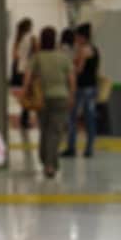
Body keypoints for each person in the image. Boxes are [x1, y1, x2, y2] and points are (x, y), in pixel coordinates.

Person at [23, 27, 75, 178]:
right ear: (55, 40)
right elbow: (72, 79)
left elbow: (27, 77)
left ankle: (45, 159)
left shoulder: (37, 57)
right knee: (55, 132)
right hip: (61, 97)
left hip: (42, 99)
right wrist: (71, 96)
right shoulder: (64, 58)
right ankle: (50, 165)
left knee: (45, 130)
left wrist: (25, 93)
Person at [62, 23, 100, 158]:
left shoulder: (83, 50)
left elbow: (78, 69)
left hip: (81, 87)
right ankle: (89, 148)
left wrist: (69, 69)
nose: (76, 39)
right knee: (90, 118)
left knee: (72, 117)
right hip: (92, 87)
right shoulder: (94, 49)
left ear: (82, 37)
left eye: (77, 37)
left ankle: (71, 148)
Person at [10, 18, 36, 130]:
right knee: (28, 94)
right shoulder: (32, 39)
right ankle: (25, 119)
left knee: (23, 94)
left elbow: (14, 56)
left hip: (18, 69)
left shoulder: (18, 40)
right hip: (27, 69)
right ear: (28, 27)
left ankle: (24, 118)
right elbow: (36, 52)